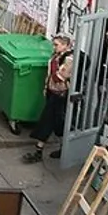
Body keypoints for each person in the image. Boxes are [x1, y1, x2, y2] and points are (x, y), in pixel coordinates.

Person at [25, 34, 74, 163]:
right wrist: (46, 87)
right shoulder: (57, 56)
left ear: (65, 45)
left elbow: (60, 76)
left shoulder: (69, 59)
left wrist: (54, 72)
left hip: (60, 95)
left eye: (57, 45)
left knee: (48, 121)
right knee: (56, 122)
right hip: (53, 92)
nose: (54, 47)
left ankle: (39, 151)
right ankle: (60, 148)